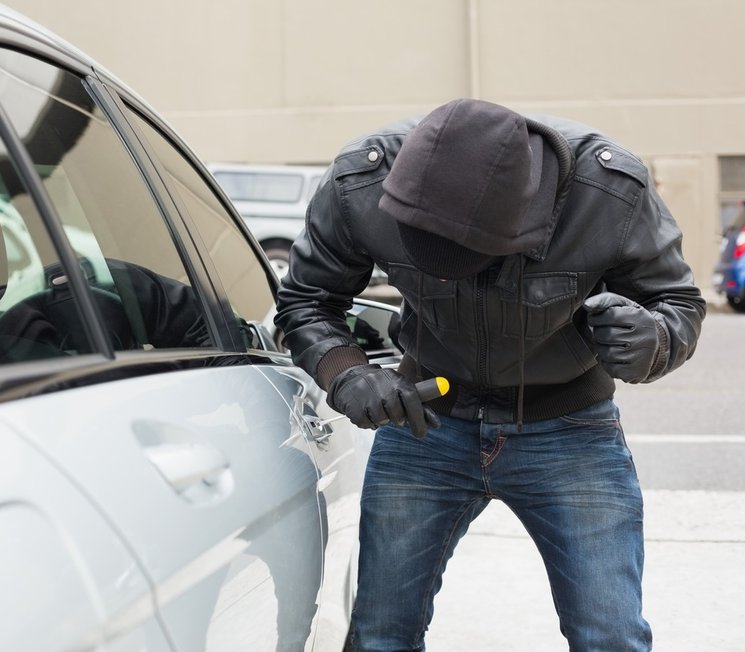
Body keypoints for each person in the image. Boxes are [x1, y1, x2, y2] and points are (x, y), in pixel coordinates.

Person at [274, 98, 705, 651]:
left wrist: (657, 340)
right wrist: (347, 373)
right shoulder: (361, 183)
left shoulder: (609, 191)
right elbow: (308, 300)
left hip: (569, 428)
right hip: (426, 424)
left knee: (611, 636)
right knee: (381, 635)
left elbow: (678, 301)